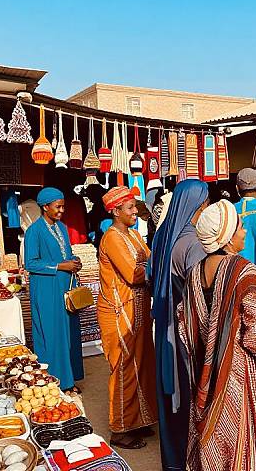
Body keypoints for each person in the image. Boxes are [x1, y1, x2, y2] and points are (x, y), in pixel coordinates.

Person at [178, 200, 256, 470]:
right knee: (246, 440)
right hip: (241, 373)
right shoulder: (243, 270)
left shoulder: (195, 272)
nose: (244, 232)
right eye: (240, 226)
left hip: (207, 377)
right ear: (227, 236)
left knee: (218, 442)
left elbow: (185, 322)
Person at [151, 179, 209, 471]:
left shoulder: (162, 235)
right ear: (201, 205)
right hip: (184, 331)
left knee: (169, 396)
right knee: (188, 396)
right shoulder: (193, 243)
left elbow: (151, 276)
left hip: (163, 326)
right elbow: (202, 294)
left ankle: (171, 461)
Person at [97, 186, 158, 450]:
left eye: (135, 207)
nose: (135, 212)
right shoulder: (112, 238)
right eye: (131, 207)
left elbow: (150, 259)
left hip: (137, 310)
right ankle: (120, 429)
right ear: (116, 211)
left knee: (143, 365)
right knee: (124, 369)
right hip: (118, 310)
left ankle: (140, 419)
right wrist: (155, 265)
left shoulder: (132, 235)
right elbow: (134, 274)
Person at [24, 187, 84, 394]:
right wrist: (59, 266)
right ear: (45, 207)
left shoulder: (62, 228)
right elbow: (30, 264)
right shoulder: (34, 231)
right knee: (52, 334)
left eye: (63, 206)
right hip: (46, 289)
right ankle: (55, 382)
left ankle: (69, 379)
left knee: (67, 332)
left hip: (64, 287)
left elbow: (65, 254)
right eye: (57, 207)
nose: (61, 211)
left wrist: (74, 262)